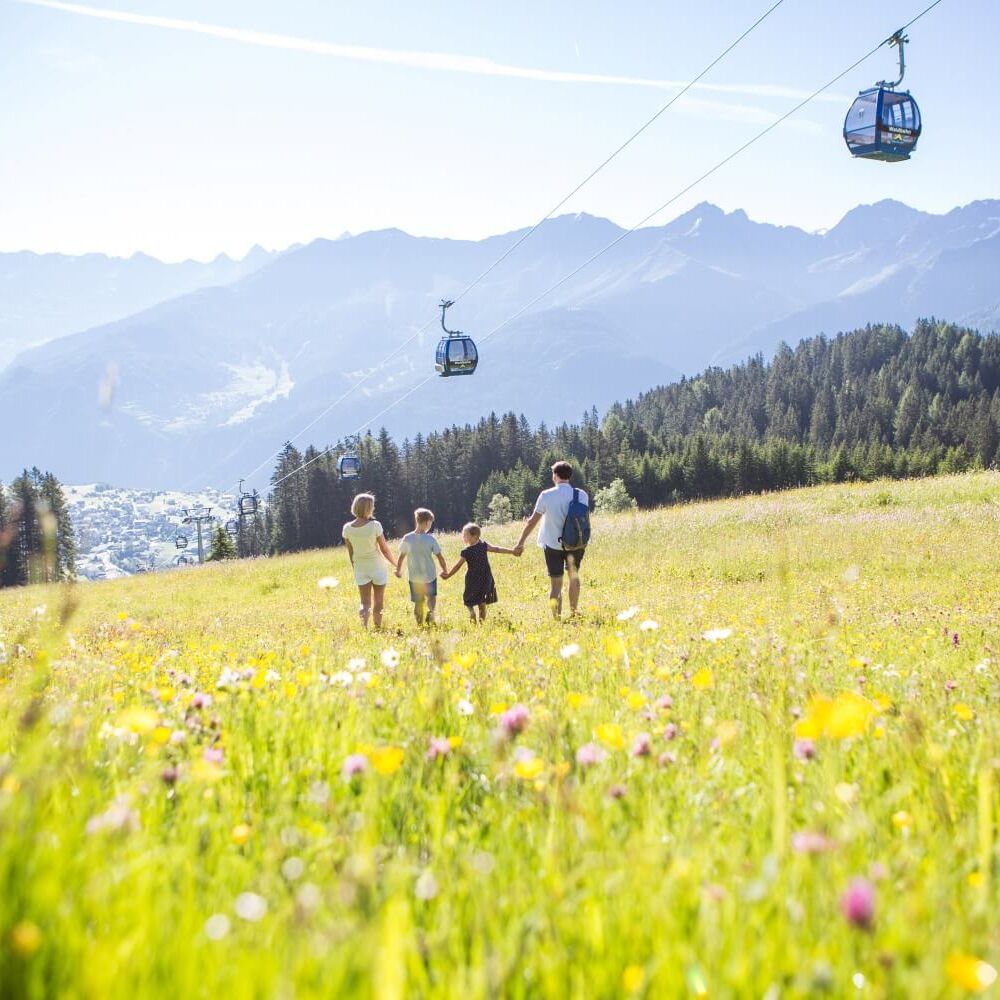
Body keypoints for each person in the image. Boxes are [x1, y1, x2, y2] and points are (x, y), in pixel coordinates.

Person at [513, 461, 589, 619]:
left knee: (556, 584)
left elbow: (532, 521)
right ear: (569, 476)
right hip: (575, 544)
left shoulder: (546, 495)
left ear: (555, 475)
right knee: (573, 577)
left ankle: (557, 618)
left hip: (553, 545)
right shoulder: (581, 494)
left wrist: (521, 542)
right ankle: (574, 612)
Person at [441, 522, 518, 624]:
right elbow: (497, 549)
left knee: (469, 599)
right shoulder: (483, 546)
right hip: (485, 578)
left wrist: (448, 575)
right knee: (482, 602)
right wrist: (512, 551)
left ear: (474, 536)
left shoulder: (466, 551)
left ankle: (472, 613)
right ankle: (482, 623)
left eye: (465, 535)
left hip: (473, 579)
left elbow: (458, 566)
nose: (463, 536)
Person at [342, 492, 397, 629]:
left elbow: (351, 553)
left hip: (360, 568)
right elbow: (384, 549)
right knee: (378, 602)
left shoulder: (347, 528)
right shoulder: (375, 525)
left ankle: (364, 628)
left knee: (364, 603)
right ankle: (378, 628)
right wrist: (396, 564)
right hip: (378, 567)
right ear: (368, 508)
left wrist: (355, 568)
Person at [395, 508, 448, 625]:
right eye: (430, 523)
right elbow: (440, 557)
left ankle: (419, 624)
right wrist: (445, 570)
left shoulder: (407, 538)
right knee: (431, 597)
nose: (430, 525)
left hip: (415, 577)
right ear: (426, 522)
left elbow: (401, 557)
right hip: (430, 575)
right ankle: (431, 612)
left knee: (418, 602)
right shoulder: (430, 539)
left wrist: (398, 570)